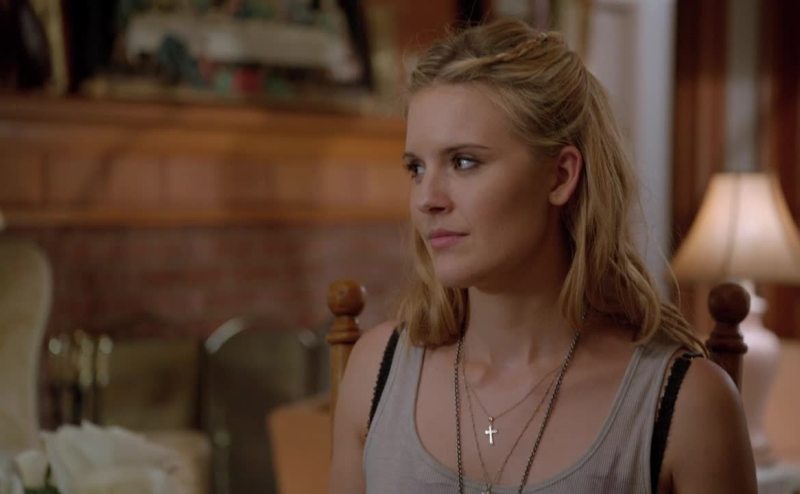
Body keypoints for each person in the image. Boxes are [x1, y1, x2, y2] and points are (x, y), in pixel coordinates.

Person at [330, 18, 756, 494]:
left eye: (464, 162)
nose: (427, 199)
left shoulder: (686, 406)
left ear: (560, 176)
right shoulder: (376, 371)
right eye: (416, 168)